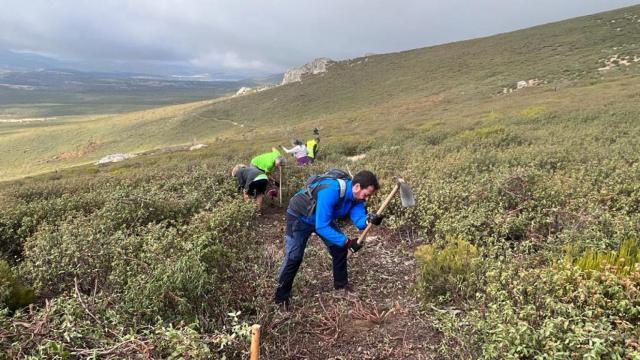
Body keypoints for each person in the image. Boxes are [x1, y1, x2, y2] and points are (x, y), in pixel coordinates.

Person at [273, 170, 384, 309]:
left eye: (369, 196)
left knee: (339, 249)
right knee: (294, 257)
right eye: (366, 194)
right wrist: (348, 242)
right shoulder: (331, 191)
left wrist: (369, 220)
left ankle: (341, 288)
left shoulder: (357, 199)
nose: (366, 198)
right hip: (299, 217)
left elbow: (359, 220)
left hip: (323, 218)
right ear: (356, 187)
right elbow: (322, 227)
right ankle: (280, 299)